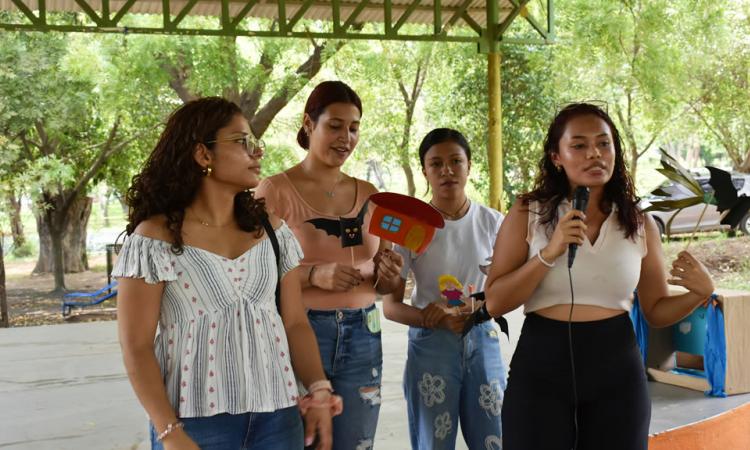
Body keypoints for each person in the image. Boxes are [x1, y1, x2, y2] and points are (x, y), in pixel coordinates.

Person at [484, 103, 715, 450]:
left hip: (616, 370)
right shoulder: (528, 212)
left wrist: (699, 293)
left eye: (604, 143)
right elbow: (495, 301)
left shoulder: (639, 223)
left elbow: (655, 309)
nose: (594, 153)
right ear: (556, 156)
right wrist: (550, 253)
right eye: (579, 145)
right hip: (542, 366)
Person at [114, 97, 338, 450]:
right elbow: (136, 345)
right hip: (195, 423)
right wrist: (169, 432)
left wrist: (319, 389)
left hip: (279, 415)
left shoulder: (273, 230)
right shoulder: (154, 238)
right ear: (204, 155)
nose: (257, 152)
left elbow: (294, 322)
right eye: (242, 142)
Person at [255, 81, 404, 450]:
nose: (346, 137)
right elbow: (253, 277)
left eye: (354, 128)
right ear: (309, 124)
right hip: (300, 330)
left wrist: (389, 275)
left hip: (364, 334)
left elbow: (386, 284)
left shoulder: (371, 195)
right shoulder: (273, 191)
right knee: (303, 439)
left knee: (357, 442)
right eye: (335, 125)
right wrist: (312, 274)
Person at [383, 128, 507, 450]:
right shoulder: (411, 227)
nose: (446, 170)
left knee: (495, 438)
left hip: (483, 339)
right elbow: (391, 307)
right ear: (424, 170)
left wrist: (476, 308)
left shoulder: (495, 224)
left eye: (455, 161)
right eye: (436, 163)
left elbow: (508, 292)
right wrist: (432, 318)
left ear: (469, 165)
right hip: (431, 346)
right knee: (433, 443)